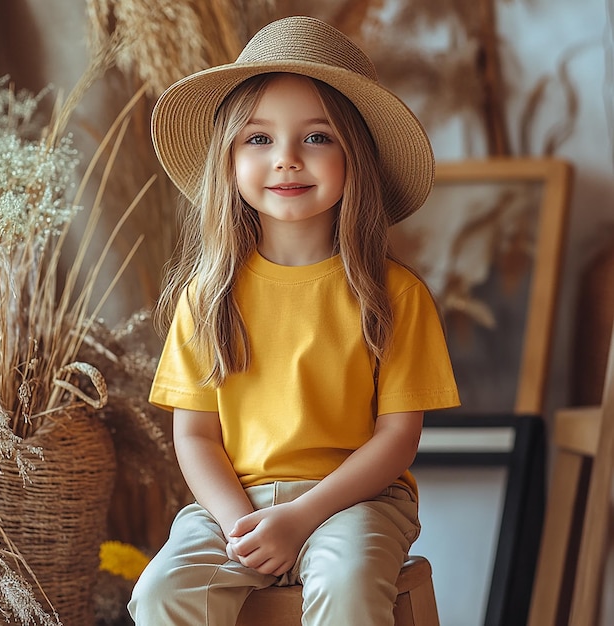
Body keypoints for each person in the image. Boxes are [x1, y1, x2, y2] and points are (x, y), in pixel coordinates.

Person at [128, 14, 460, 626]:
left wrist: (301, 517)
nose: (285, 159)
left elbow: (397, 440)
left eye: (316, 137)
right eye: (258, 139)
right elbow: (196, 437)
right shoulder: (207, 296)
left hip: (357, 501)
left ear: (355, 155)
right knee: (159, 594)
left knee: (349, 582)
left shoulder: (395, 296)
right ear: (228, 160)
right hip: (231, 506)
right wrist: (241, 528)